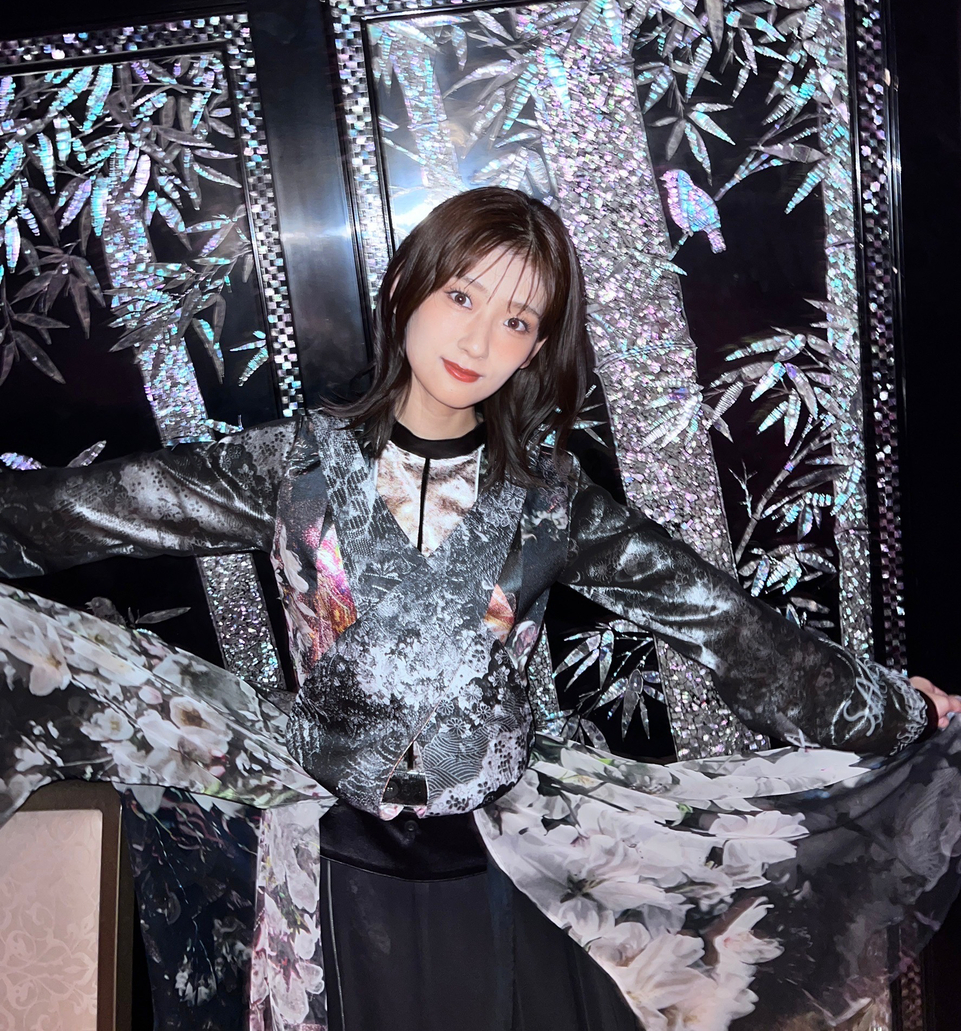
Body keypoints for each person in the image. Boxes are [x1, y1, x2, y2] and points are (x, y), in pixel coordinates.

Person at [0, 186, 959, 1031]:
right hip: (329, 851)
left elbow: (721, 623)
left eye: (516, 320)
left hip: (499, 856)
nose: (477, 341)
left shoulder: (551, 499)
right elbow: (70, 514)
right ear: (405, 290)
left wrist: (893, 712)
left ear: (537, 345)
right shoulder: (289, 466)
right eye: (461, 297)